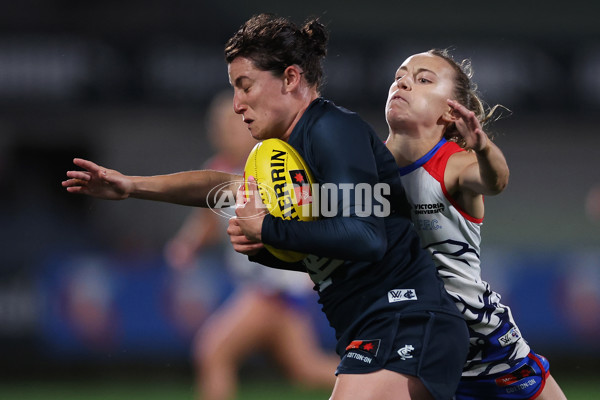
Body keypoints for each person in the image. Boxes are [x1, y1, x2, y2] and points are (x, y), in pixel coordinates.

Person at [63, 13, 470, 400]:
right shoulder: (284, 152)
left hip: (407, 321)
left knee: (217, 350)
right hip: (376, 325)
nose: (237, 104)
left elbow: (367, 238)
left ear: (291, 78)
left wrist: (268, 231)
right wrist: (132, 185)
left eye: (245, 85)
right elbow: (225, 186)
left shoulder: (330, 130)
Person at [384, 49, 566, 399]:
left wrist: (483, 147)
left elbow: (495, 180)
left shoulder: (454, 165)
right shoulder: (365, 167)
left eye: (423, 80)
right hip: (415, 344)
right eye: (400, 75)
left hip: (487, 348)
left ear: (450, 111)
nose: (404, 82)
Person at [164, 90, 339, 400]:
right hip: (263, 288)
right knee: (305, 369)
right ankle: (382, 384)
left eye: (235, 125)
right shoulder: (218, 170)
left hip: (274, 287)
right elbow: (206, 221)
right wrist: (187, 244)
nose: (226, 134)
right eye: (220, 127)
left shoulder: (277, 169)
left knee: (214, 352)